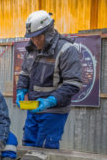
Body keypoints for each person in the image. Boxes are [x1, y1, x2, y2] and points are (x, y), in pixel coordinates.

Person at [16, 10, 82, 149]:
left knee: (45, 149)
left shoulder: (66, 50)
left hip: (54, 111)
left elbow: (73, 84)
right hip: (34, 108)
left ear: (49, 31)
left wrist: (50, 101)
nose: (35, 41)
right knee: (28, 144)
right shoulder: (32, 49)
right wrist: (21, 89)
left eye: (38, 37)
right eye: (32, 37)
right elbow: (25, 73)